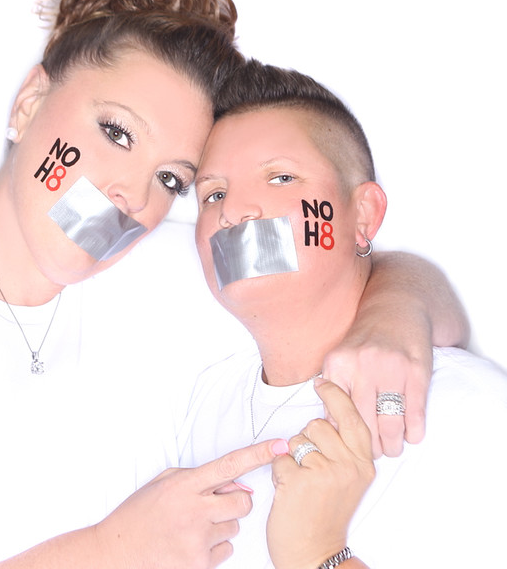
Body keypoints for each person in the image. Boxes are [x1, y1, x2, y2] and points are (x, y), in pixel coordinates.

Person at [0, 0, 467, 569]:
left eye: (172, 179)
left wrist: (393, 318)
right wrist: (109, 551)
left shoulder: (176, 276)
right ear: (29, 103)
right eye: (116, 132)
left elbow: (354, 261)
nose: (130, 194)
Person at [180, 59, 507, 568]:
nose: (234, 211)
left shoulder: (471, 412)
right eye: (213, 194)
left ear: (364, 215)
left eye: (281, 177)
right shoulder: (202, 403)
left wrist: (320, 553)